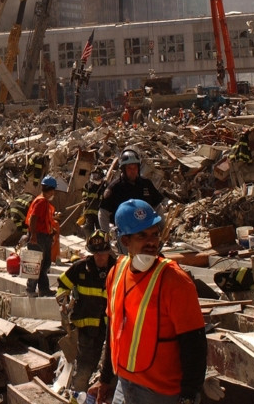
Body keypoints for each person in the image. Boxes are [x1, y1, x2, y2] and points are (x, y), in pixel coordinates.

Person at [91, 199, 206, 404]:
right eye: (142, 236)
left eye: (154, 234)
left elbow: (194, 343)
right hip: (124, 383)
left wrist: (189, 395)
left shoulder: (174, 280)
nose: (152, 242)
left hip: (160, 393)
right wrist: (106, 378)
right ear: (125, 241)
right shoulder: (116, 273)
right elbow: (113, 331)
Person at [56, 230, 116, 392]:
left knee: (114, 367)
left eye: (102, 252)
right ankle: (79, 395)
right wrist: (63, 300)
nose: (99, 257)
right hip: (86, 328)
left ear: (108, 250)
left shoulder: (117, 269)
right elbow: (62, 284)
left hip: (112, 328)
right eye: (95, 253)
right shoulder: (80, 268)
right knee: (84, 367)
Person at [98, 149, 164, 237]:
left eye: (135, 167)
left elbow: (157, 206)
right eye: (129, 168)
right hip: (124, 233)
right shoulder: (115, 187)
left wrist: (162, 227)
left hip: (145, 231)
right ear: (123, 169)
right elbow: (103, 212)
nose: (133, 171)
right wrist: (105, 235)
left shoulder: (146, 184)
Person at [24, 176, 58, 296]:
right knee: (35, 264)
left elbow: (44, 220)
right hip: (38, 236)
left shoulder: (44, 202)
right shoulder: (41, 201)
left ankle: (44, 289)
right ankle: (30, 290)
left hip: (44, 236)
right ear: (51, 189)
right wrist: (33, 236)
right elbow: (33, 218)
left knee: (45, 264)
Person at [81, 170, 107, 238]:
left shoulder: (104, 185)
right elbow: (84, 193)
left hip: (99, 212)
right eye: (94, 175)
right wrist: (85, 197)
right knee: (89, 228)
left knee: (100, 228)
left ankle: (100, 241)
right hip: (89, 210)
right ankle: (90, 240)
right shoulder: (88, 184)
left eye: (97, 176)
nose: (95, 177)